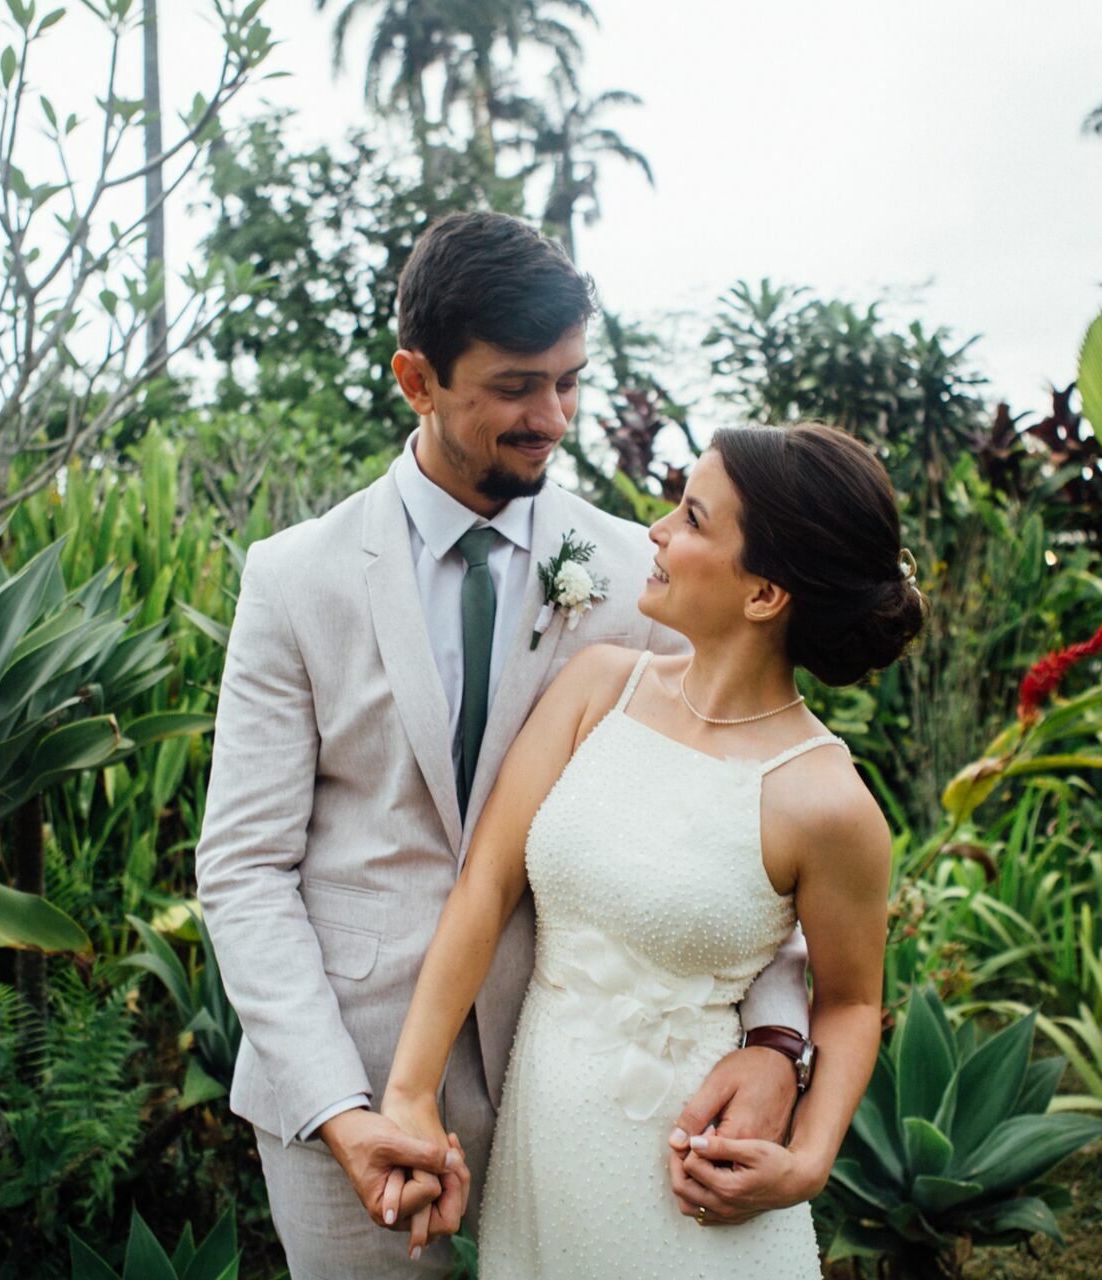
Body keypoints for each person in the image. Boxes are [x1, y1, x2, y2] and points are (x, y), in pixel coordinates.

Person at [194, 211, 815, 1278]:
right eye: (518, 385)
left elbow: (741, 803)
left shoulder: (641, 574)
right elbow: (244, 869)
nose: (554, 417)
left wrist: (774, 1039)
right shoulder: (295, 580)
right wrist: (342, 1107)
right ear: (417, 378)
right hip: (356, 1086)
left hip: (591, 1091)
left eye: (570, 381)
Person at [378, 423, 924, 1276]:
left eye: (694, 519)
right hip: (543, 1153)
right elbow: (485, 885)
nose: (656, 533)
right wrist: (409, 1089)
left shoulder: (826, 802)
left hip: (694, 1179)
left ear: (764, 595)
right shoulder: (600, 685)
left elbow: (852, 1002)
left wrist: (809, 1158)